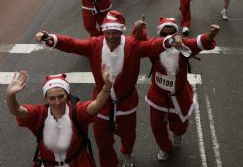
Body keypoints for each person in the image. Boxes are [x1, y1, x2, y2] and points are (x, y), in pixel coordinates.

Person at [34, 10, 175, 167]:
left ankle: (127, 153)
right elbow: (73, 44)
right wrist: (51, 38)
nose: (110, 37)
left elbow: (152, 46)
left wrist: (168, 41)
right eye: (107, 32)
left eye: (115, 32)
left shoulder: (132, 45)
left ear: (121, 31)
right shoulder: (95, 45)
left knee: (128, 136)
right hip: (101, 103)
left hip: (126, 104)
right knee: (103, 143)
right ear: (103, 31)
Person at [133, 17, 220, 162]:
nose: (167, 38)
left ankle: (177, 133)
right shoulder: (155, 46)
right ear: (159, 35)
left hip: (179, 96)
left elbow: (199, 42)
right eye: (163, 34)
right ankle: (165, 148)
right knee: (157, 127)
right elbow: (139, 44)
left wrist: (211, 35)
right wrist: (139, 31)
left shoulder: (183, 45)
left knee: (181, 126)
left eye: (171, 33)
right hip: (158, 96)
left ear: (176, 34)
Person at [6, 68, 112, 167]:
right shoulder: (39, 113)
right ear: (46, 98)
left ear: (67, 94)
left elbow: (97, 104)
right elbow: (16, 110)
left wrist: (107, 88)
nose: (57, 102)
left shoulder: (77, 111)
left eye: (61, 96)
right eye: (52, 98)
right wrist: (10, 95)